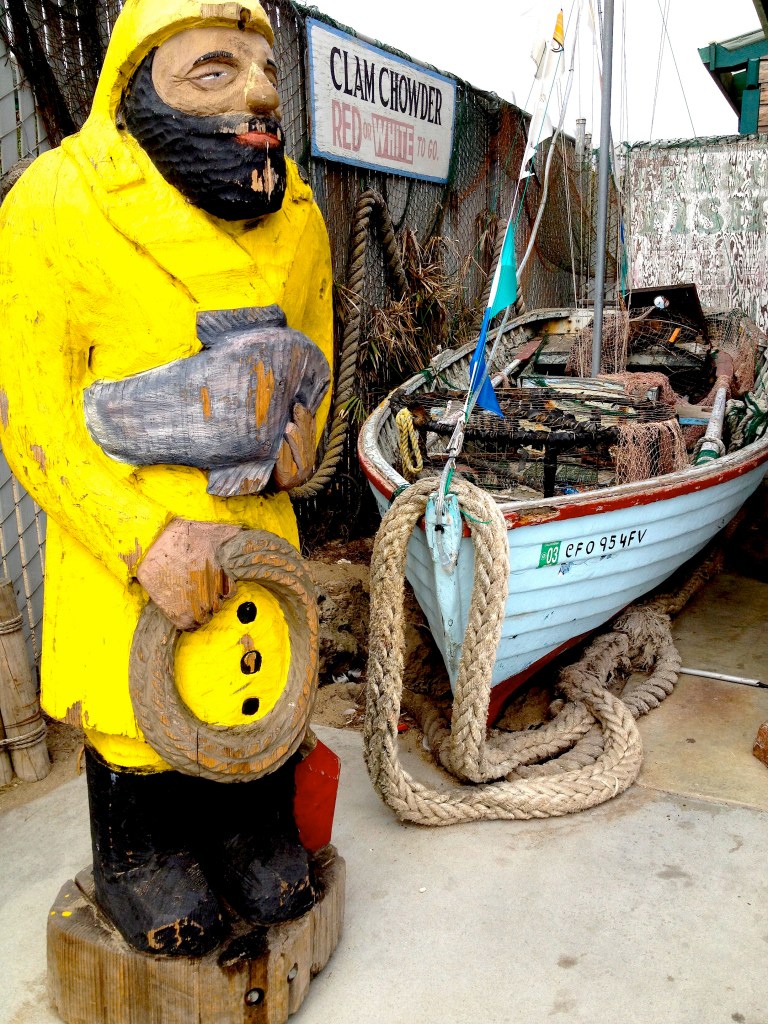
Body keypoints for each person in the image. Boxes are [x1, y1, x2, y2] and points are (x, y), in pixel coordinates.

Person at [0, 0, 333, 956]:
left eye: (265, 70)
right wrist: (142, 542)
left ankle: (251, 829)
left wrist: (301, 441)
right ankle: (137, 858)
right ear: (137, 83)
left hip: (257, 531)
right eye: (214, 70)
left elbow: (316, 353)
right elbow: (34, 418)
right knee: (136, 720)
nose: (258, 92)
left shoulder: (300, 215)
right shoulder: (56, 203)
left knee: (256, 696)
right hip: (134, 544)